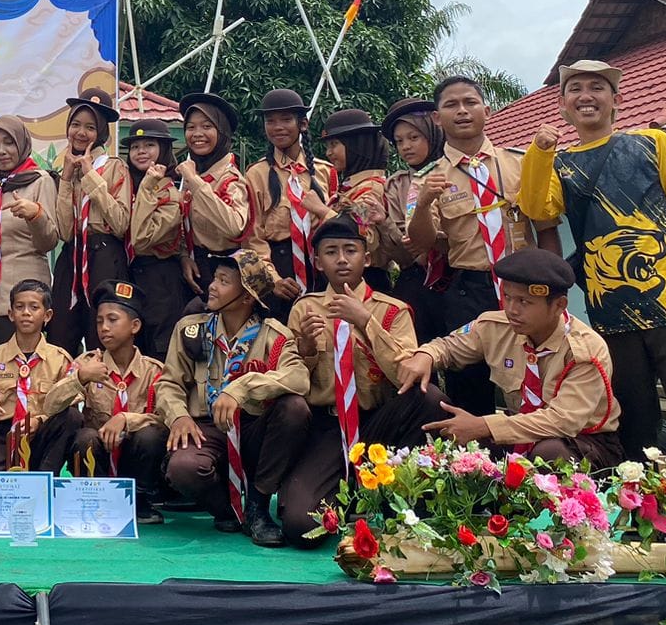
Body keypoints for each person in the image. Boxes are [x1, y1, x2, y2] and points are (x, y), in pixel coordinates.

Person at [519, 59, 666, 471]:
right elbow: (535, 206)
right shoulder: (561, 164)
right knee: (635, 421)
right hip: (611, 309)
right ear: (562, 105)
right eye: (575, 88)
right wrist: (540, 152)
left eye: (596, 87)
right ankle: (644, 511)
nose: (586, 96)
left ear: (616, 100)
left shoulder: (653, 143)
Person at [280, 216, 446, 545]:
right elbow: (294, 381)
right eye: (331, 252)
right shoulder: (305, 309)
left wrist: (366, 322)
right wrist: (308, 350)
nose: (341, 259)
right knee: (301, 527)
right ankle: (348, 492)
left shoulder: (391, 311)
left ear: (366, 258)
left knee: (428, 396)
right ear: (317, 261)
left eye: (350, 250)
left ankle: (393, 486)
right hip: (328, 427)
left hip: (378, 424)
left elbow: (405, 375)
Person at [407, 75, 558, 415]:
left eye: (470, 102)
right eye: (451, 105)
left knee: (542, 376)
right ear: (436, 117)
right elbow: (420, 243)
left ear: (487, 110)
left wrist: (553, 285)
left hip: (528, 287)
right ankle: (475, 464)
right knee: (469, 387)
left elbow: (546, 227)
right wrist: (425, 201)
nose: (462, 111)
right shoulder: (425, 179)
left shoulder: (520, 163)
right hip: (469, 291)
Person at [396, 248, 622, 466]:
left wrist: (484, 426)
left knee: (550, 452)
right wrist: (425, 355)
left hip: (582, 442)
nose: (512, 309)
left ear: (559, 305)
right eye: (507, 297)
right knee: (430, 401)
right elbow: (449, 347)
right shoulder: (496, 326)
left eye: (524, 302)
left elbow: (563, 421)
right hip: (515, 434)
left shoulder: (584, 349)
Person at [157, 251, 309, 547]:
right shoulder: (192, 329)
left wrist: (240, 388)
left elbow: (299, 378)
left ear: (247, 297)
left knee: (294, 409)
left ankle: (258, 505)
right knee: (183, 467)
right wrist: (179, 416)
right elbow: (169, 383)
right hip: (207, 428)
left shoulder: (274, 336)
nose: (212, 286)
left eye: (224, 281)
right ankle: (226, 509)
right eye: (215, 278)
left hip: (252, 431)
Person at [45, 281, 167, 524]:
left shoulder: (154, 371)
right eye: (100, 321)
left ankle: (140, 498)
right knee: (84, 437)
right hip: (98, 457)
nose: (104, 328)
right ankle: (94, 496)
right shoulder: (87, 363)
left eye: (113, 320)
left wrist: (126, 419)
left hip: (135, 457)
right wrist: (80, 378)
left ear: (135, 326)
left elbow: (166, 419)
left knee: (151, 435)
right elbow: (50, 406)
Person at [242, 89, 337, 321]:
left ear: (302, 124)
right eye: (270, 121)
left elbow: (338, 225)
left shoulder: (326, 172)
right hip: (280, 268)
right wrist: (272, 281)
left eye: (286, 119)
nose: (278, 127)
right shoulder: (256, 174)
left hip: (322, 268)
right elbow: (252, 237)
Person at [0, 280, 81, 473]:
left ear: (47, 315)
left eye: (34, 307)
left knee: (72, 416)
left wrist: (41, 420)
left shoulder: (60, 359)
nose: (26, 313)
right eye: (19, 307)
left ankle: (45, 479)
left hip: (42, 434)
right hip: (2, 435)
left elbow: (71, 408)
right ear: (11, 314)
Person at [51, 87, 133, 354]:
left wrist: (90, 175)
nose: (81, 133)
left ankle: (105, 393)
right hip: (72, 256)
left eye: (90, 127)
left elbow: (121, 222)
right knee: (60, 334)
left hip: (104, 258)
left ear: (102, 132)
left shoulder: (114, 167)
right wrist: (66, 178)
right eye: (75, 124)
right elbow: (64, 230)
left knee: (103, 335)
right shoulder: (65, 170)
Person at [0, 117, 59, 355]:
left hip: (24, 302)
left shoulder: (40, 180)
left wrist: (36, 215)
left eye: (9, 142)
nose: (1, 151)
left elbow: (49, 241)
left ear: (21, 144)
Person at [379, 97, 447, 340]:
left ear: (432, 131)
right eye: (399, 141)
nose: (406, 146)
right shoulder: (397, 185)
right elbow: (403, 252)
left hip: (461, 276)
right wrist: (382, 222)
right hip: (418, 278)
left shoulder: (455, 170)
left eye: (413, 137)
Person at [302, 108, 392, 293]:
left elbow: (365, 237)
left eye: (334, 144)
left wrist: (321, 210)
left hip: (365, 281)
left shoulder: (369, 190)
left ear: (355, 145)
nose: (328, 152)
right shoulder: (352, 187)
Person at [125, 121, 193, 358]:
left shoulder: (170, 192)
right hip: (131, 275)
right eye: (135, 146)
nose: (141, 151)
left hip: (160, 279)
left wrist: (147, 186)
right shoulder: (126, 186)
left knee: (159, 350)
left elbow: (141, 239)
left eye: (149, 145)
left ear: (164, 150)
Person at [174, 92, 253, 293]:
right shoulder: (196, 171)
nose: (197, 133)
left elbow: (234, 227)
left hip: (227, 272)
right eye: (190, 127)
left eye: (207, 126)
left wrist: (194, 181)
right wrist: (185, 256)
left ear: (222, 132)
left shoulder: (231, 180)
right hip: (197, 266)